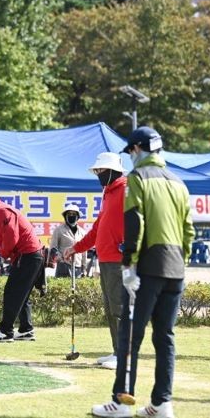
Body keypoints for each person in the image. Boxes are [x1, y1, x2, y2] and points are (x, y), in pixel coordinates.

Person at [92, 126, 194, 418]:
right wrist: (181, 262)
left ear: (137, 149)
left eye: (131, 151)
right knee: (165, 337)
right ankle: (162, 404)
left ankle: (121, 403)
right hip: (175, 267)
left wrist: (128, 265)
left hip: (147, 266)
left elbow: (135, 223)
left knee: (129, 337)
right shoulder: (177, 181)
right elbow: (188, 231)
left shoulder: (137, 178)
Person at [64, 152, 126, 370]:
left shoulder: (127, 190)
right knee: (111, 308)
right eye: (97, 171)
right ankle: (117, 351)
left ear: (113, 171)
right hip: (106, 259)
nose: (98, 174)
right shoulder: (108, 193)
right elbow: (98, 228)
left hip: (121, 260)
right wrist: (76, 247)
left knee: (120, 308)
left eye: (101, 170)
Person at [0, 184, 43, 342]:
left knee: (12, 292)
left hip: (29, 255)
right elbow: (1, 243)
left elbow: (12, 239)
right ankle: (26, 330)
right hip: (28, 256)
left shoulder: (3, 212)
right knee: (21, 294)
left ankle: (5, 331)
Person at [50, 204, 86, 278]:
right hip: (63, 266)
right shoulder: (58, 230)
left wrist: (84, 268)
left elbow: (84, 252)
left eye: (74, 214)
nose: (71, 216)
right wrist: (62, 259)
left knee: (78, 285)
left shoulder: (82, 232)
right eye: (69, 214)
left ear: (78, 216)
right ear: (65, 216)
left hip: (78, 266)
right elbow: (53, 249)